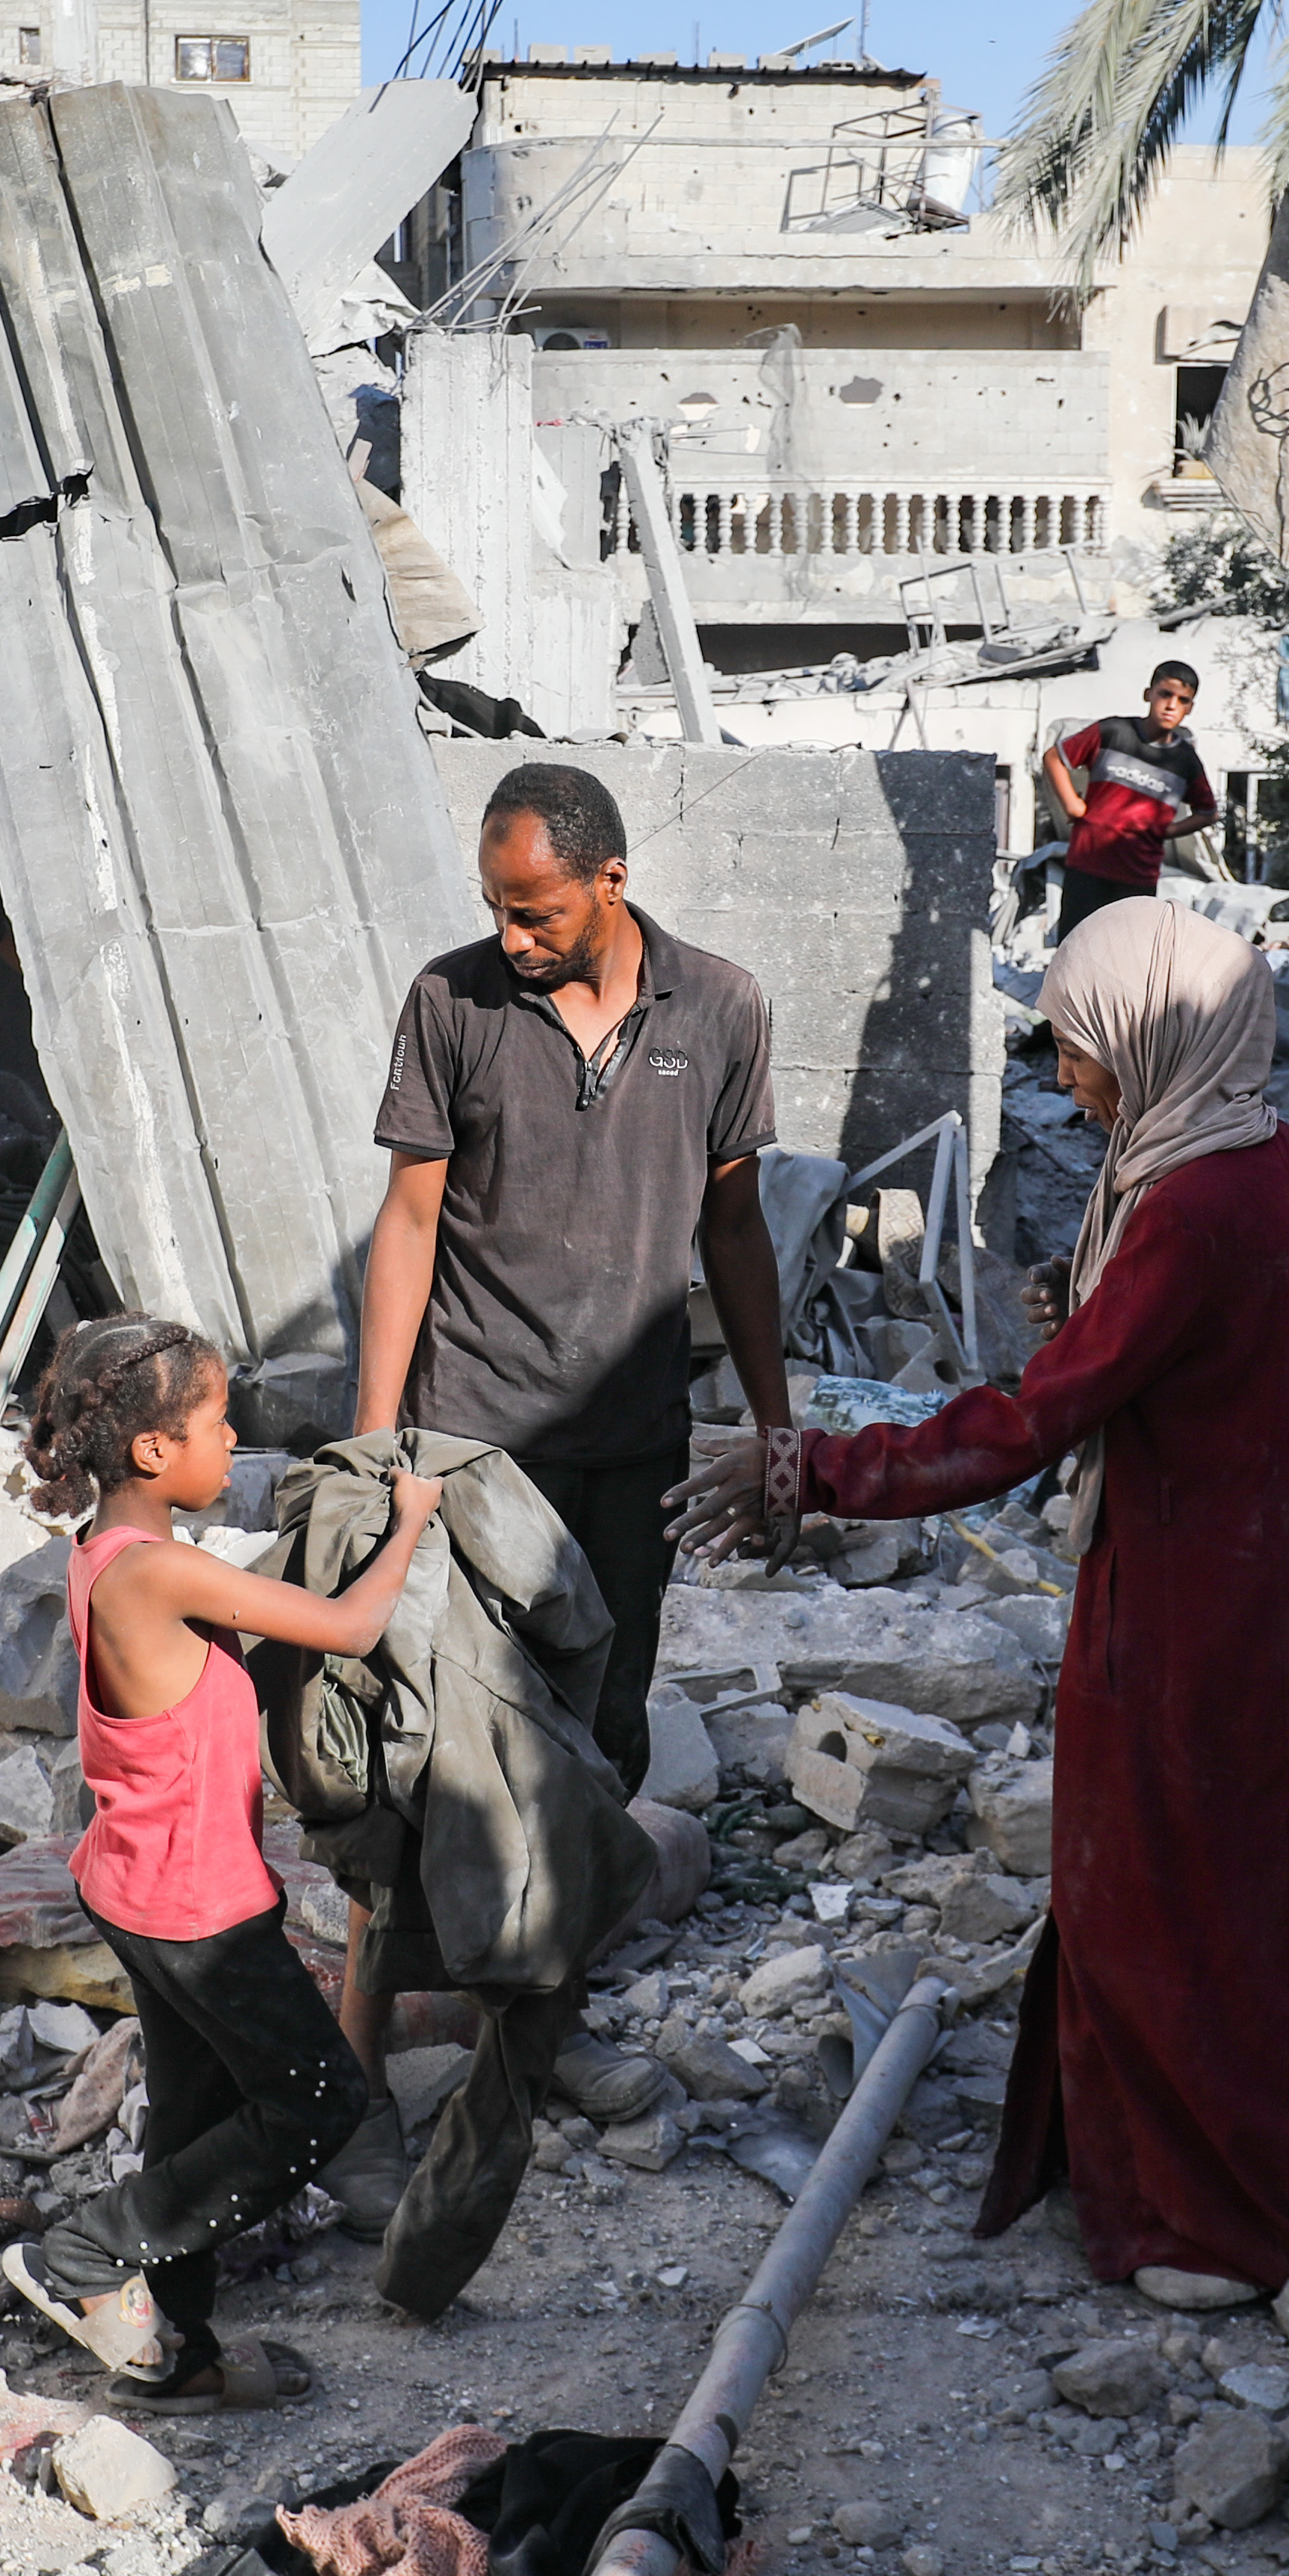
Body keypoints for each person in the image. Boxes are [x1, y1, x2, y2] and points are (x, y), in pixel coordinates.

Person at [675, 900, 1289, 2304]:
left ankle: (1221, 2220)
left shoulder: (1194, 1203)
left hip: (1201, 1617)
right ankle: (1219, 2184)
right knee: (1241, 1901)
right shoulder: (1242, 1165)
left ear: (1153, 1035)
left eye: (1079, 1048)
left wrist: (806, 1468)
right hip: (1260, 1598)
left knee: (1168, 1906)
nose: (1068, 1075)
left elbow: (1027, 1429)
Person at [332, 759, 795, 2240]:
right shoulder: (452, 1003)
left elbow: (734, 1223)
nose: (511, 935)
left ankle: (534, 2034)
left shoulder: (718, 1007)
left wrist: (776, 1422)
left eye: (532, 912)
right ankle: (361, 2057)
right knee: (423, 1742)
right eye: (496, 910)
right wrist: (371, 1441)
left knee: (592, 1747)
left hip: (630, 1440)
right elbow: (408, 1224)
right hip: (472, 1440)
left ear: (607, 879)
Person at [0, 1315, 426, 2406]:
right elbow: (351, 1626)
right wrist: (411, 1521)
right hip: (196, 1909)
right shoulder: (154, 1575)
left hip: (140, 1886)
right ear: (153, 1451)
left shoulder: (108, 1557)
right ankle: (86, 2253)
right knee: (320, 2101)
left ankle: (179, 2352)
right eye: (215, 1422)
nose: (233, 1440)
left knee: (190, 2116)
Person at [1040, 660, 1220, 937]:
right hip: (1088, 863)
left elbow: (1207, 812)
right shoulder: (1113, 732)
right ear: (1149, 694)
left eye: (1182, 700)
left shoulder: (1185, 761)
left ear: (1190, 708)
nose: (1171, 705)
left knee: (1127, 959)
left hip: (1138, 876)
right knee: (1074, 950)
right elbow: (1054, 757)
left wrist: (1166, 831)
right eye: (1165, 694)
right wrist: (1072, 804)